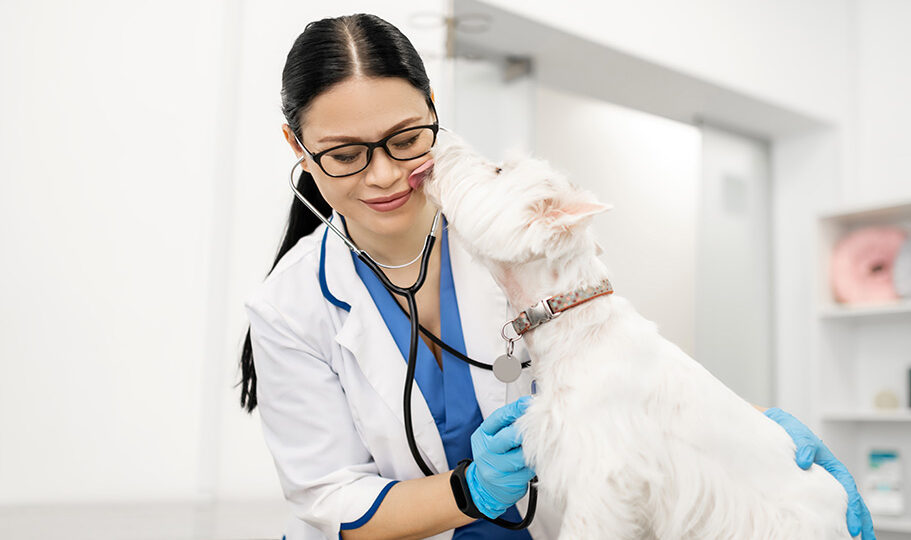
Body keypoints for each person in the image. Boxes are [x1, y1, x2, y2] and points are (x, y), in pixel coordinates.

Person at [237, 13, 875, 540]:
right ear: (298, 147)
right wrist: (470, 490)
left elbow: (624, 382)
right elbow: (330, 496)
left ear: (433, 109)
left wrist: (757, 447)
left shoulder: (512, 231)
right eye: (345, 155)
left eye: (405, 139)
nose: (381, 175)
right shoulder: (288, 306)